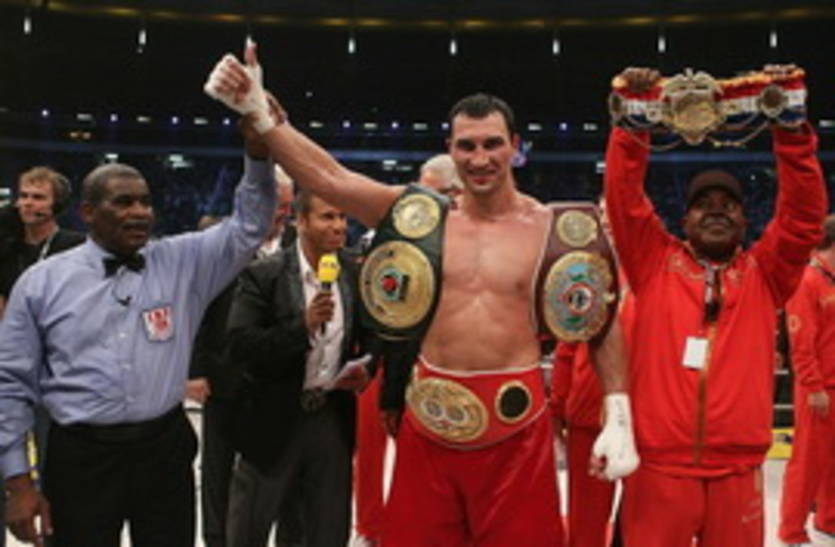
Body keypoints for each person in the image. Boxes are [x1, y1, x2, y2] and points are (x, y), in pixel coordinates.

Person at [205, 46, 637, 546]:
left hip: (517, 434)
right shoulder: (421, 220)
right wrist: (261, 114)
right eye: (467, 146)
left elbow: (599, 322)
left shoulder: (553, 229)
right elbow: (331, 178)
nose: (480, 159)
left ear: (515, 146)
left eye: (492, 144)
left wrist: (618, 411)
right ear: (450, 148)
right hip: (429, 428)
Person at [0, 86, 278, 546]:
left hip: (162, 450)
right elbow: (10, 383)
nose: (140, 213)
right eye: (124, 202)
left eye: (146, 202)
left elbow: (250, 227)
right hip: (80, 456)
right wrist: (17, 482)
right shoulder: (42, 282)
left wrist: (257, 153)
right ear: (88, 212)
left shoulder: (181, 262)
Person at [605, 66, 828, 547]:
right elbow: (624, 198)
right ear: (684, 220)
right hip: (658, 468)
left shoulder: (766, 274)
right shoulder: (653, 263)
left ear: (746, 220)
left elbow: (804, 217)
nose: (716, 209)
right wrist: (633, 126)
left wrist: (790, 131)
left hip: (738, 472)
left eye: (729, 203)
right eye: (703, 203)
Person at [224, 188, 368, 547]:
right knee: (249, 530)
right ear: (301, 221)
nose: (339, 226)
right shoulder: (264, 274)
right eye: (327, 217)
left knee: (328, 530)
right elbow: (240, 345)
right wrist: (301, 326)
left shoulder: (353, 270)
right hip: (272, 418)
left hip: (330, 418)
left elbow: (370, 336)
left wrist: (367, 367)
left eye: (342, 217)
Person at [353, 152, 464, 546]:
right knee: (369, 452)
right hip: (380, 356)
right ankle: (369, 528)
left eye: (432, 194)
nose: (421, 204)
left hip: (435, 366)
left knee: (423, 464)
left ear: (456, 195)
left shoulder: (470, 246)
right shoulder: (388, 237)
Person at [187, 165, 299, 547]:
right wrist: (195, 369)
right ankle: (216, 540)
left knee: (280, 471)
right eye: (277, 205)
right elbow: (197, 308)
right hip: (226, 373)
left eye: (288, 206)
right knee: (217, 469)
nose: (283, 214)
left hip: (281, 379)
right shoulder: (221, 243)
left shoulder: (299, 243)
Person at [778, 214, 835, 547]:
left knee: (832, 461)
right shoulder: (807, 281)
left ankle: (828, 519)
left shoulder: (830, 281)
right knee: (807, 462)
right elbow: (801, 342)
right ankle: (791, 530)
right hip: (819, 388)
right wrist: (813, 386)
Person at [0, 167, 85, 319]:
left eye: (38, 198)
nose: (28, 203)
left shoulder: (76, 246)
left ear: (57, 205)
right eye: (24, 196)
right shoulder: (7, 248)